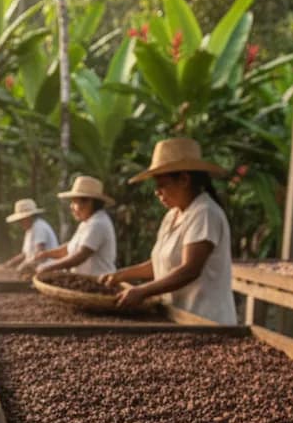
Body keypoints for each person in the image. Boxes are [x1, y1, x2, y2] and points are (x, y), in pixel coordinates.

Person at [100, 137, 237, 325]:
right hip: (177, 317)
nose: (157, 192)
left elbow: (190, 269)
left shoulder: (204, 212)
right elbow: (160, 264)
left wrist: (142, 291)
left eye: (162, 185)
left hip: (206, 320)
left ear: (184, 179)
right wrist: (121, 275)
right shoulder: (173, 215)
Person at [24, 176, 117, 277]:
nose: (71, 206)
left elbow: (80, 256)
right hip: (84, 279)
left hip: (97, 281)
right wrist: (45, 254)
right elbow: (69, 249)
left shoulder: (98, 223)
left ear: (89, 202)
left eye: (74, 202)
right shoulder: (86, 222)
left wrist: (48, 267)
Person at [0, 198, 59, 273]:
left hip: (48, 269)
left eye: (21, 220)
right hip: (38, 268)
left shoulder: (39, 227)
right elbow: (25, 254)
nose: (19, 223)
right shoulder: (30, 229)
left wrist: (22, 267)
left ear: (28, 217)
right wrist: (7, 265)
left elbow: (40, 254)